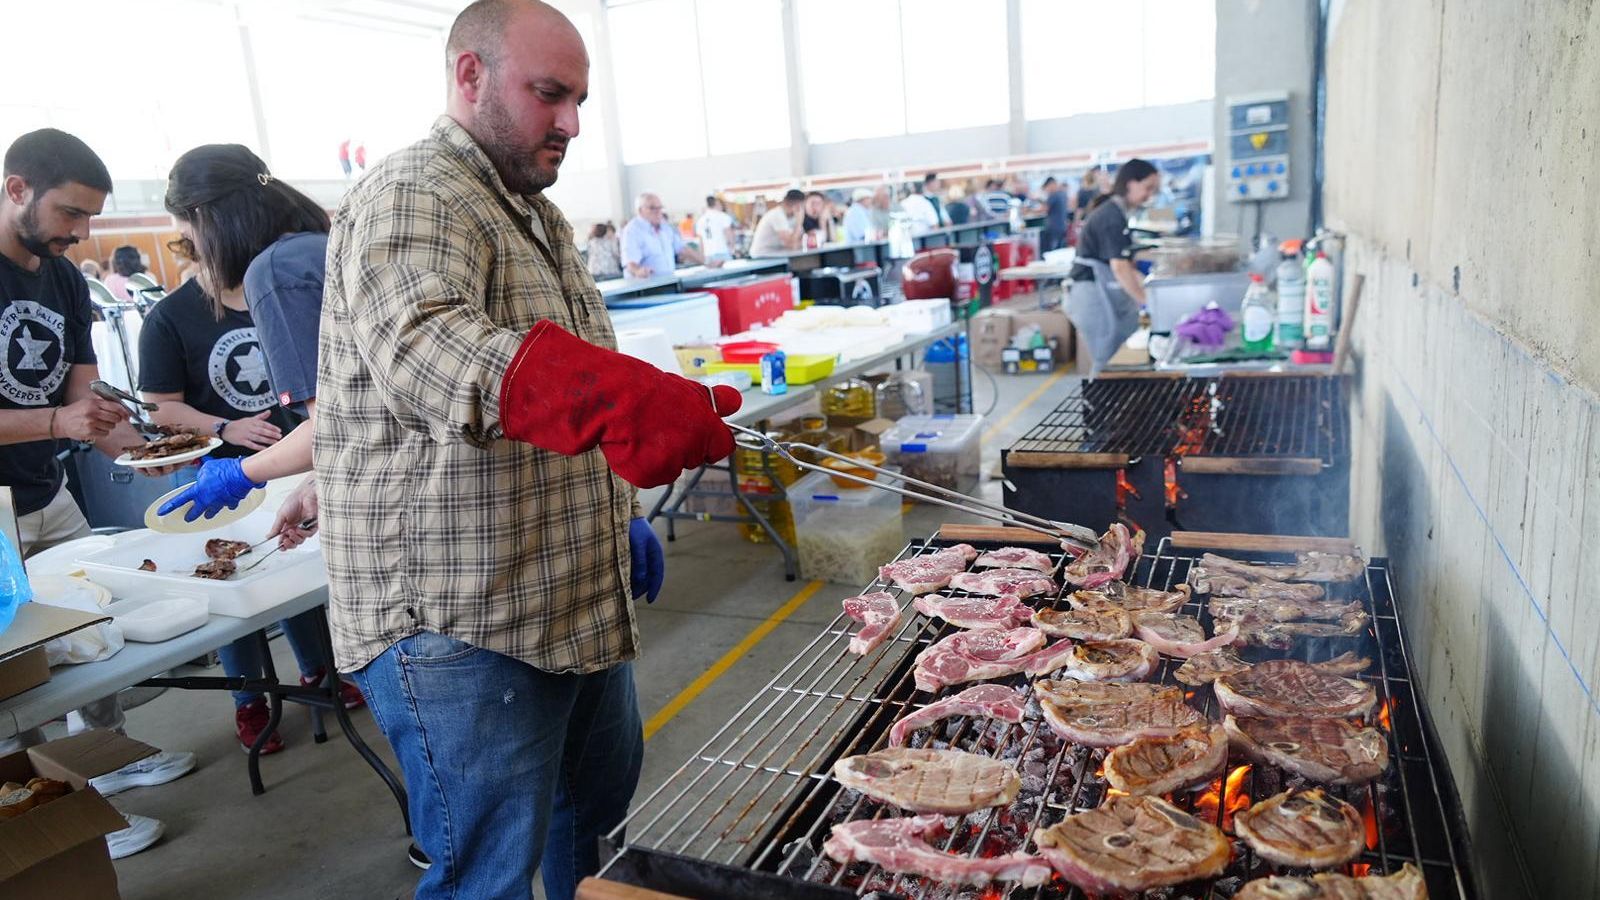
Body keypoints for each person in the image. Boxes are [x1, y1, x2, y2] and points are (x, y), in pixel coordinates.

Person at [171, 4, 743, 897]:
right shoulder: (414, 192)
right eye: (549, 93)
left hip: (570, 591)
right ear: (470, 76)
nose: (572, 122)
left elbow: (558, 373)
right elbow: (428, 352)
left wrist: (618, 509)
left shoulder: (535, 215)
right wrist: (619, 399)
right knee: (488, 872)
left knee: (590, 824)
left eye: (580, 100)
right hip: (464, 621)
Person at [0, 128, 197, 860]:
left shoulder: (60, 278)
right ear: (17, 189)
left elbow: (84, 401)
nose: (82, 232)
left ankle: (106, 760)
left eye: (90, 216)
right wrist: (59, 422)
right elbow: (63, 415)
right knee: (16, 676)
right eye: (71, 212)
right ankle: (61, 818)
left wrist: (139, 452)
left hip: (48, 491)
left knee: (97, 628)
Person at [137, 270, 362, 755]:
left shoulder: (275, 295)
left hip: (290, 462)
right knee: (228, 585)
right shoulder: (169, 318)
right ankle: (249, 698)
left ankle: (318, 670)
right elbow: (158, 409)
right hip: (214, 480)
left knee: (289, 571)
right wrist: (225, 427)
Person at [1067, 157, 1161, 373]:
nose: (1149, 195)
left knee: (1116, 354)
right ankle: (1098, 395)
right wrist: (1145, 302)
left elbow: (1127, 264)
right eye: (1148, 188)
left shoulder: (1118, 212)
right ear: (1131, 183)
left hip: (1097, 289)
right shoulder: (1111, 215)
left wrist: (1150, 290)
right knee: (1106, 360)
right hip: (1089, 292)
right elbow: (1119, 267)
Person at [622, 191, 706, 278]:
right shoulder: (633, 230)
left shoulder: (665, 226)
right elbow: (630, 263)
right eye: (652, 208)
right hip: (646, 284)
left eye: (660, 208)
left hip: (669, 280)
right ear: (640, 210)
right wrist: (638, 271)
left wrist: (706, 262)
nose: (658, 211)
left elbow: (682, 249)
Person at [749, 188, 805, 255]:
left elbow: (798, 241)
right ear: (797, 205)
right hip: (762, 256)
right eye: (801, 206)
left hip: (775, 254)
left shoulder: (792, 217)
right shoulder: (777, 215)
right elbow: (790, 244)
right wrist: (799, 223)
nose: (801, 209)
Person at [694, 195, 735, 262]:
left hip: (707, 254)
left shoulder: (700, 220)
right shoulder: (723, 217)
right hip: (722, 252)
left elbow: (700, 240)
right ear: (716, 203)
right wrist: (732, 248)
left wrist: (701, 256)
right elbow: (729, 235)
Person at [1040, 176, 1069, 253]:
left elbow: (1044, 209)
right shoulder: (1063, 194)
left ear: (1051, 184)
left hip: (1054, 227)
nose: (1047, 190)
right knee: (1060, 250)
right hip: (1062, 226)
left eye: (1047, 187)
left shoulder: (1053, 195)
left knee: (1052, 251)